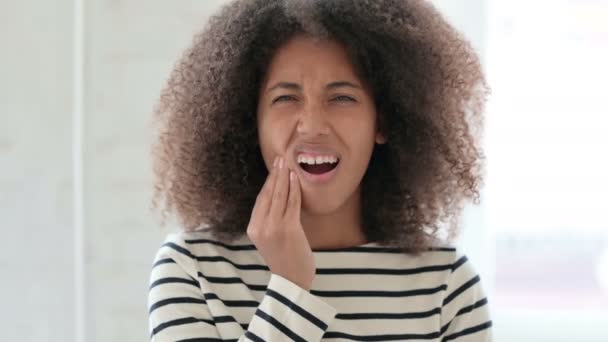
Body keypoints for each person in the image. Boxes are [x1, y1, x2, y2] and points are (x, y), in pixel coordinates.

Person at [148, 0, 492, 340]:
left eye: (342, 97)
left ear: (383, 121)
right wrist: (289, 287)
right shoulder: (192, 269)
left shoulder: (447, 284)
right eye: (285, 98)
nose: (312, 126)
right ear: (251, 122)